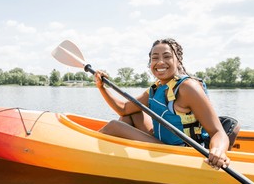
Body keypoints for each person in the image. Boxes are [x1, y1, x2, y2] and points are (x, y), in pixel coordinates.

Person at [94, 38, 231, 170]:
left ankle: (92, 154)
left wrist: (218, 151)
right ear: (150, 63)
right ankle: (122, 162)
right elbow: (124, 109)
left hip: (181, 152)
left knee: (114, 127)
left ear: (178, 61)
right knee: (130, 115)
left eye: (167, 57)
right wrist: (101, 87)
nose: (160, 62)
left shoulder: (188, 87)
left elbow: (218, 132)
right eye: (155, 58)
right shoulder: (158, 87)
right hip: (163, 142)